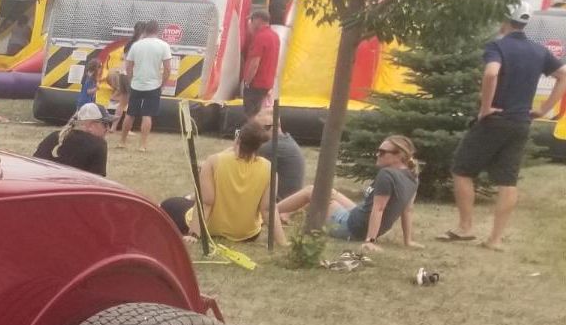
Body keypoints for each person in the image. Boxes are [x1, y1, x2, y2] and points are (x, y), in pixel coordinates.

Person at [444, 6, 566, 250]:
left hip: (495, 119)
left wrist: (485, 107)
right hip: (521, 122)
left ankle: (465, 227)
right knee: (508, 182)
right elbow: (563, 75)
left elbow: (491, 74)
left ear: (505, 22)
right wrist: (544, 110)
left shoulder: (497, 47)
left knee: (462, 169)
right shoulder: (538, 50)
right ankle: (495, 239)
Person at [277, 135, 418, 250]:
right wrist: (408, 241)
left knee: (313, 191)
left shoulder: (387, 175)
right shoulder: (412, 178)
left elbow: (379, 209)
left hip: (352, 227)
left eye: (382, 152)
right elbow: (407, 210)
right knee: (328, 192)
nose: (377, 155)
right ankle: (285, 215)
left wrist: (370, 241)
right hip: (359, 217)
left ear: (399, 155)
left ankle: (270, 211)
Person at [159, 119, 281, 246]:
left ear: (238, 139)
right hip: (247, 234)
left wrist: (194, 234)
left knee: (170, 204)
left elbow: (206, 202)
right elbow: (267, 209)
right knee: (188, 201)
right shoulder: (269, 168)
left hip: (211, 228)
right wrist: (281, 241)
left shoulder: (214, 161)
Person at [121, 20, 171, 151]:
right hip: (153, 85)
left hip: (136, 84)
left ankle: (122, 141)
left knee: (130, 114)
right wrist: (162, 84)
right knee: (147, 115)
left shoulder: (136, 45)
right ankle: (142, 145)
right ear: (157, 31)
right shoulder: (163, 46)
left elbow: (128, 66)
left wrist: (131, 79)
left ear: (145, 31)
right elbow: (167, 69)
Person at [247, 101, 307, 201]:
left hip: (277, 205)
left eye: (256, 129)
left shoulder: (271, 147)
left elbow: (242, 168)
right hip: (284, 202)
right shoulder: (284, 142)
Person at [33, 102, 112, 176]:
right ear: (91, 125)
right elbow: (97, 181)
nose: (108, 129)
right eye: (106, 124)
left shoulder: (53, 136)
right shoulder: (98, 145)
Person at [239, 9, 279, 116]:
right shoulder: (275, 36)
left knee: (251, 115)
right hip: (267, 84)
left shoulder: (260, 37)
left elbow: (254, 63)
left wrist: (247, 82)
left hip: (255, 84)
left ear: (258, 20)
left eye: (252, 20)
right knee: (262, 115)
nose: (250, 24)